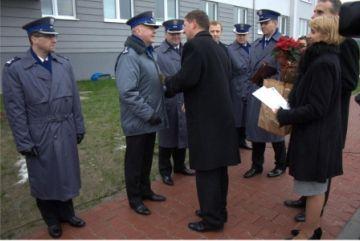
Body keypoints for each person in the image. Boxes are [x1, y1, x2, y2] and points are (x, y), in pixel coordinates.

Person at [2, 17, 86, 238]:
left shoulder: (63, 63)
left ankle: (68, 213)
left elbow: (75, 99)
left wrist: (79, 125)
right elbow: (15, 110)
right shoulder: (16, 69)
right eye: (48, 36)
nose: (54, 40)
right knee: (45, 176)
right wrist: (24, 141)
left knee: (66, 173)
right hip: (40, 132)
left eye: (54, 35)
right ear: (34, 39)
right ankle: (51, 219)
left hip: (65, 127)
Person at [283, 0, 360, 223]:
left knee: (321, 166)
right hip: (315, 112)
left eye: (319, 12)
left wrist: (322, 85)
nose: (314, 15)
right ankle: (306, 200)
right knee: (311, 164)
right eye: (314, 11)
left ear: (335, 17)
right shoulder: (318, 47)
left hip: (330, 116)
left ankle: (315, 210)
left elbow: (349, 81)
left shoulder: (344, 45)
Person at [164, 10, 240, 232]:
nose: (184, 30)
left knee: (206, 172)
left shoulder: (194, 46)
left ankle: (211, 220)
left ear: (194, 24)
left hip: (206, 122)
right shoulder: (219, 48)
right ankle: (217, 211)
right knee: (219, 171)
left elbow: (188, 77)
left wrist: (168, 84)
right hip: (222, 119)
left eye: (185, 25)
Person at [276, 15, 343, 239]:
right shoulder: (322, 59)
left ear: (325, 34)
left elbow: (317, 107)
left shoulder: (324, 63)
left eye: (314, 31)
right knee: (314, 188)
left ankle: (308, 233)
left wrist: (286, 115)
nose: (309, 35)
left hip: (317, 138)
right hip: (316, 135)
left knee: (314, 190)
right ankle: (312, 227)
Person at [115, 11, 168, 216]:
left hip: (150, 118)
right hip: (139, 120)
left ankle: (145, 191)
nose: (154, 31)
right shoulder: (129, 56)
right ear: (137, 30)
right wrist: (148, 114)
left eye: (154, 28)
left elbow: (153, 82)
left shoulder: (148, 52)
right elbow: (127, 92)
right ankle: (134, 199)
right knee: (135, 161)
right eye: (150, 28)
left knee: (146, 158)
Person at [243, 9, 287, 179]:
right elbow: (249, 69)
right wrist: (249, 88)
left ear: (275, 23)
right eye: (261, 23)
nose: (263, 25)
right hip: (256, 90)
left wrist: (272, 77)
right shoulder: (255, 44)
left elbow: (287, 70)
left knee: (275, 130)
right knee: (257, 130)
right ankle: (256, 165)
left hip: (274, 90)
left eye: (266, 22)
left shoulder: (284, 43)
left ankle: (281, 164)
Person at [155, 19, 195, 186]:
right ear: (166, 34)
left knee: (182, 134)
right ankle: (165, 171)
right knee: (167, 138)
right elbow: (157, 79)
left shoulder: (187, 50)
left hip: (184, 100)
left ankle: (180, 166)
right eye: (172, 33)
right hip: (168, 100)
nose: (176, 36)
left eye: (178, 33)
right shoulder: (158, 53)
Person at [227, 24, 253, 150]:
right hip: (236, 86)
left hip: (250, 84)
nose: (242, 37)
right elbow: (239, 66)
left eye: (244, 35)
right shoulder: (230, 49)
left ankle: (242, 140)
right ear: (235, 35)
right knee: (237, 115)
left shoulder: (252, 47)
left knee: (246, 115)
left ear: (247, 35)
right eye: (239, 35)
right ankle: (234, 142)